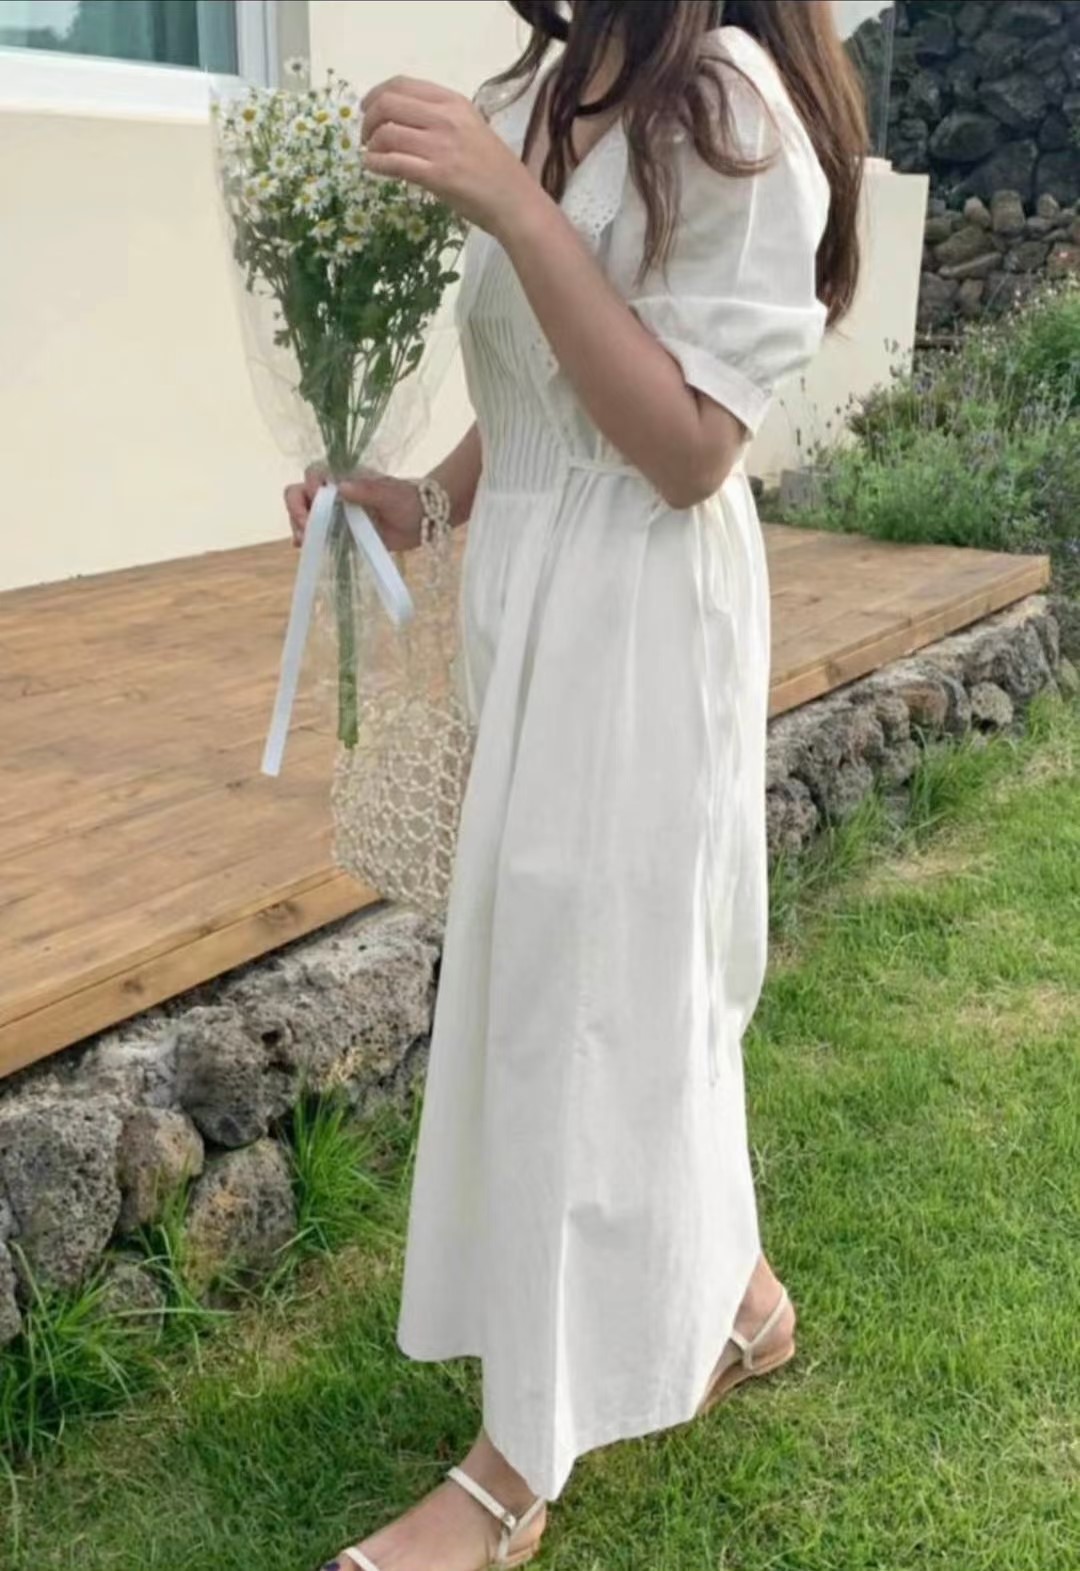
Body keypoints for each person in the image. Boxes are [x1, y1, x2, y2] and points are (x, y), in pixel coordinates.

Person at [284, 3, 866, 1567]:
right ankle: (743, 1301)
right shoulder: (559, 84)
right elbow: (550, 370)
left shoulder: (727, 101)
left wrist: (512, 202)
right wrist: (420, 501)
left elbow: (687, 446)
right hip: (534, 598)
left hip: (636, 612)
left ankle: (513, 1467)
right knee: (586, 976)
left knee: (590, 998)